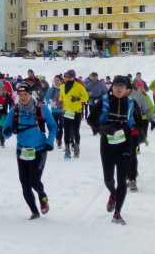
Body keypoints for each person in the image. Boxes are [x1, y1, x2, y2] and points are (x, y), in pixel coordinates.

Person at [86, 76, 144, 225]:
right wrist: (102, 128)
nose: (119, 88)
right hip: (107, 144)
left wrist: (140, 133)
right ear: (112, 87)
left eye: (122, 86)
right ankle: (113, 194)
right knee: (108, 179)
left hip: (126, 144)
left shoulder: (132, 103)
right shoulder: (104, 101)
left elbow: (139, 122)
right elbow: (90, 119)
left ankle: (117, 213)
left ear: (127, 90)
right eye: (116, 85)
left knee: (122, 180)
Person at [2, 82, 57, 219]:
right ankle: (34, 211)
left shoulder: (41, 108)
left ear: (30, 94)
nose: (22, 97)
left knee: (34, 180)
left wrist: (50, 141)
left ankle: (42, 196)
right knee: (25, 184)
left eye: (25, 94)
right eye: (20, 94)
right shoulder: (14, 110)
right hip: (21, 151)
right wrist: (6, 132)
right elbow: (6, 130)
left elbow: (53, 126)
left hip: (39, 150)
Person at [59, 70, 89, 159]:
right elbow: (61, 96)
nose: (68, 79)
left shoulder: (79, 86)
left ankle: (76, 149)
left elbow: (86, 96)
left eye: (70, 77)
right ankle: (67, 150)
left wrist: (78, 99)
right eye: (66, 77)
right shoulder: (62, 86)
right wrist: (60, 102)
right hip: (67, 111)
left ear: (74, 77)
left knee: (76, 130)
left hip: (76, 111)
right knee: (66, 131)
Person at [0, 81, 14, 148]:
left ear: (2, 87)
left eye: (0, 87)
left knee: (1, 126)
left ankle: (2, 142)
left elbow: (11, 101)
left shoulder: (6, 94)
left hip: (3, 113)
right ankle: (1, 139)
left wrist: (11, 106)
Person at [45, 76, 64, 147]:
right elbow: (46, 98)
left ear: (60, 81)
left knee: (61, 126)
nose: (56, 81)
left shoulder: (63, 88)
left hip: (61, 110)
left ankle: (59, 141)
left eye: (57, 80)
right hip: (54, 110)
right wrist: (50, 103)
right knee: (55, 126)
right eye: (55, 80)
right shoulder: (51, 89)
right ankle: (57, 137)